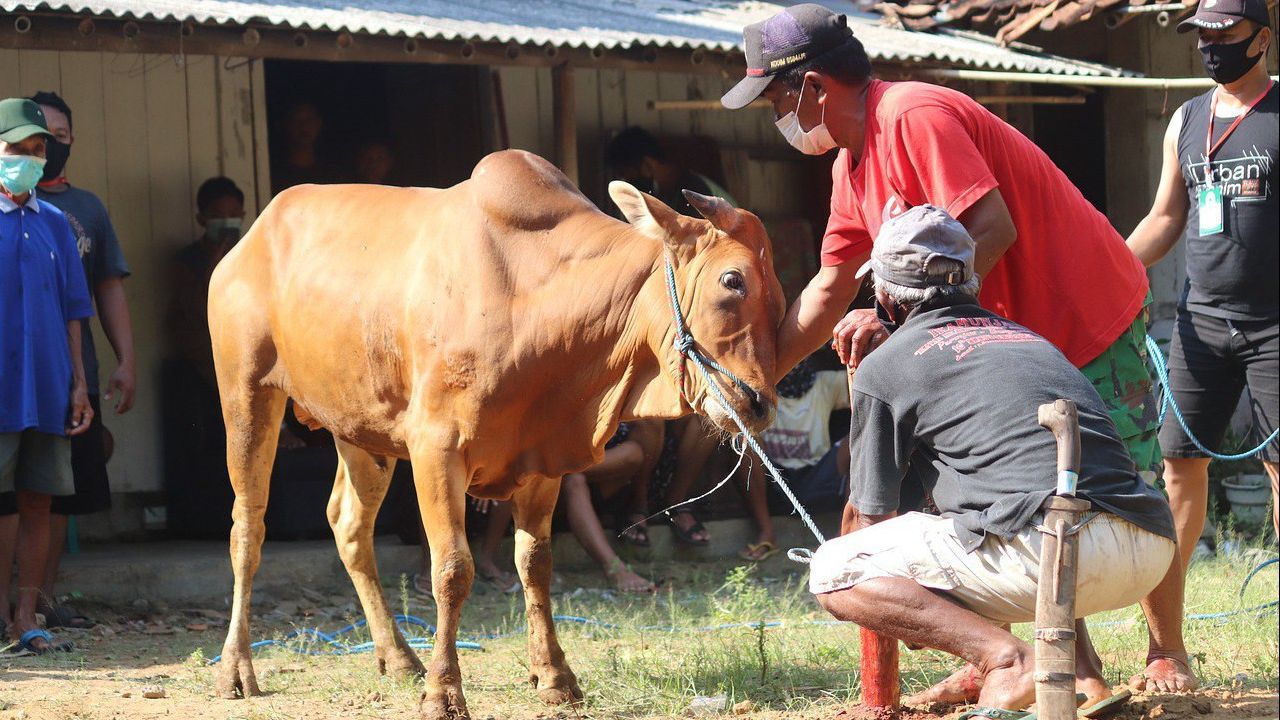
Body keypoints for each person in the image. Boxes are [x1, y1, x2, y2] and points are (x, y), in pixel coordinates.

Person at [719, 3, 1193, 694]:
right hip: (996, 345)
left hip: (1082, 315)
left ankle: (1166, 651)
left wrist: (909, 330)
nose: (776, 117)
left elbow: (990, 230)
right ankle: (1073, 671)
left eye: (775, 99)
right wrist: (755, 380)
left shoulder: (913, 115)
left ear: (814, 86)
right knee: (1026, 500)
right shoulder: (851, 167)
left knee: (1122, 481)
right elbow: (828, 286)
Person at [809, 205, 1177, 713]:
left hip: (1050, 555)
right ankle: (1078, 678)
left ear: (885, 297)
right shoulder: (1031, 340)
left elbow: (871, 521)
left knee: (834, 570)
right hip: (1149, 549)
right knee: (1037, 498)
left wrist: (908, 608)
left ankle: (1007, 660)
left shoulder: (886, 366)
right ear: (972, 281)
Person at [1124, 0, 1276, 691]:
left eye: (1225, 34)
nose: (1211, 46)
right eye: (1202, 36)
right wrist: (1114, 268)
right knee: (1179, 468)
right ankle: (1166, 648)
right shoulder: (1187, 120)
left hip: (1275, 326)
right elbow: (1165, 216)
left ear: (1261, 38)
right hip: (1201, 323)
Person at [24, 91, 136, 631]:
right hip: (14, 375)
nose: (49, 146)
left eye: (59, 137)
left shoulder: (85, 209)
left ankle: (41, 602)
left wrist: (125, 359)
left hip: (73, 374)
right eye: (38, 137)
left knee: (58, 493)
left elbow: (105, 288)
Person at [1, 97, 95, 654]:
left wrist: (79, 383)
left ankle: (25, 617)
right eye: (17, 148)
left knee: (38, 500)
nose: (29, 159)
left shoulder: (56, 223)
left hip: (47, 386)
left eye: (38, 149)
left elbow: (73, 310)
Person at [733, 355, 850, 561]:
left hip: (817, 478)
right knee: (743, 439)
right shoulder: (758, 390)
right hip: (775, 483)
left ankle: (846, 536)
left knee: (859, 441)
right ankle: (766, 533)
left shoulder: (825, 384)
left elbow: (863, 384)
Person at [561, 421, 664, 593]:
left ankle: (637, 507)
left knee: (634, 451)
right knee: (574, 480)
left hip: (587, 468)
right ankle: (616, 569)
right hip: (551, 480)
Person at [605, 126, 736, 217]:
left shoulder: (694, 189)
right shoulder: (665, 193)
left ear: (648, 165)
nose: (628, 181)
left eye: (629, 175)